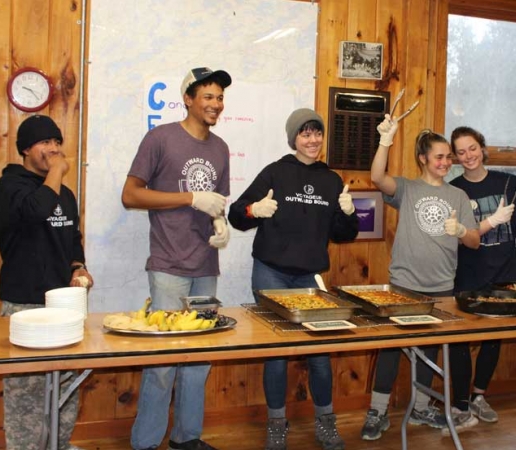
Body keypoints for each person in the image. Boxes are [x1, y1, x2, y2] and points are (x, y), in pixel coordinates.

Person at [228, 108, 358, 450]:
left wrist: (348, 213)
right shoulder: (275, 173)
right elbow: (236, 215)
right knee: (276, 352)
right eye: (305, 133)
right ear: (293, 138)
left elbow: (345, 235)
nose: (313, 140)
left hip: (309, 277)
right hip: (270, 272)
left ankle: (326, 423)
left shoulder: (331, 180)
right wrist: (253, 211)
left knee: (320, 352)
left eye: (317, 133)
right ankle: (276, 424)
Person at [121, 67, 232, 450]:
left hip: (205, 268)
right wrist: (189, 198)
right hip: (168, 265)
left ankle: (187, 439)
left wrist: (221, 223)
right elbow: (131, 195)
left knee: (199, 359)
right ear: (188, 98)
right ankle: (146, 444)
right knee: (162, 362)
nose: (215, 104)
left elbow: (217, 201)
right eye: (208, 96)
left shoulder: (220, 148)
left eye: (219, 97)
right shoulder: (161, 138)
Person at [360, 115, 480, 441]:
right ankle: (378, 411)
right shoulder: (407, 189)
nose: (445, 162)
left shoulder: (457, 196)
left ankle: (422, 407)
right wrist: (385, 140)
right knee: (390, 348)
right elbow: (376, 177)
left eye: (448, 157)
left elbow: (474, 241)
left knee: (428, 350)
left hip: (441, 287)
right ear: (423, 159)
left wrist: (462, 230)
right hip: (403, 284)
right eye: (439, 156)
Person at [447, 126, 516, 431]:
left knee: (493, 340)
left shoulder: (510, 183)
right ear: (455, 157)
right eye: (461, 151)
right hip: (466, 276)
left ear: (483, 148)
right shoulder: (454, 190)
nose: (468, 155)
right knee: (459, 341)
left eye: (472, 148)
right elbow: (450, 236)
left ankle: (479, 395)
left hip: (504, 277)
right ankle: (460, 403)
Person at [0, 114, 93, 450]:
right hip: (24, 304)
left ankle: (59, 445)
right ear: (25, 149)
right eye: (44, 143)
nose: (53, 149)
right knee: (27, 394)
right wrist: (56, 171)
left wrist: (78, 266)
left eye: (56, 142)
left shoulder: (64, 193)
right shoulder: (10, 186)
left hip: (63, 306)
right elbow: (36, 211)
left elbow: (72, 238)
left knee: (66, 386)